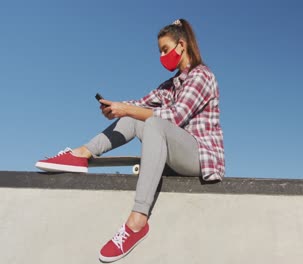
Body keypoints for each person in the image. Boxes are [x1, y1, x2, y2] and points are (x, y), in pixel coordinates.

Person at [35, 18, 225, 262]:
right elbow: (140, 105)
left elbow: (175, 116)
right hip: (176, 153)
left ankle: (137, 221)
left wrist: (128, 110)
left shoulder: (202, 76)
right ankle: (81, 154)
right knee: (137, 117)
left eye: (165, 50)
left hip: (201, 156)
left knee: (154, 121)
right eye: (159, 52)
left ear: (181, 45)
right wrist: (116, 107)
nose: (162, 56)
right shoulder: (169, 85)